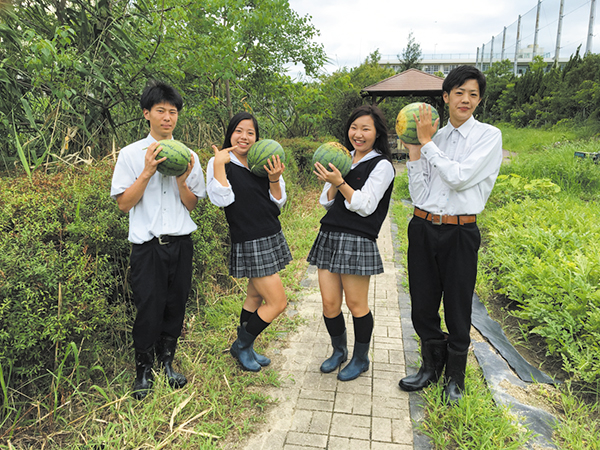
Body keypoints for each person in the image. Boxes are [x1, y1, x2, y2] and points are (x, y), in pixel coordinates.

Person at [398, 65, 503, 404]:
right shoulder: (434, 138)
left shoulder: (488, 136)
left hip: (460, 232)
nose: (466, 99)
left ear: (479, 100)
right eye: (459, 93)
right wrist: (415, 152)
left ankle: (455, 379)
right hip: (423, 227)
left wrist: (426, 143)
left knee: (458, 307)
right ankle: (431, 366)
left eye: (473, 94)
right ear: (445, 97)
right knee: (423, 306)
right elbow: (420, 191)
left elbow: (459, 177)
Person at [110, 80, 206, 400]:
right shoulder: (131, 155)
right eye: (161, 111)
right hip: (148, 246)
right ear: (146, 114)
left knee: (174, 306)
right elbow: (124, 203)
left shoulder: (189, 155)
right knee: (148, 309)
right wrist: (148, 171)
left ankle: (167, 364)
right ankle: (143, 371)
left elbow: (192, 203)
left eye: (173, 112)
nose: (168, 117)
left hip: (181, 243)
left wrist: (181, 179)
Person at [307, 104, 395, 382]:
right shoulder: (343, 158)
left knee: (357, 305)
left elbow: (366, 206)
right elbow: (326, 201)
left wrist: (341, 182)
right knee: (330, 304)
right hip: (330, 236)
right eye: (354, 128)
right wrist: (333, 181)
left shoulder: (382, 165)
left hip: (358, 240)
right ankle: (338, 350)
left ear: (377, 133)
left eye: (365, 129)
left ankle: (361, 358)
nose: (358, 134)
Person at [206, 112, 291, 372]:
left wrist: (274, 178)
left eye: (250, 132)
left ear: (257, 137)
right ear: (230, 134)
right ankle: (241, 345)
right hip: (250, 238)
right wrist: (220, 164)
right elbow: (221, 200)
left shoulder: (262, 161)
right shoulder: (220, 162)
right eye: (239, 131)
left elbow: (279, 201)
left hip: (270, 232)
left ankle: (248, 346)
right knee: (277, 303)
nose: (244, 137)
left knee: (254, 296)